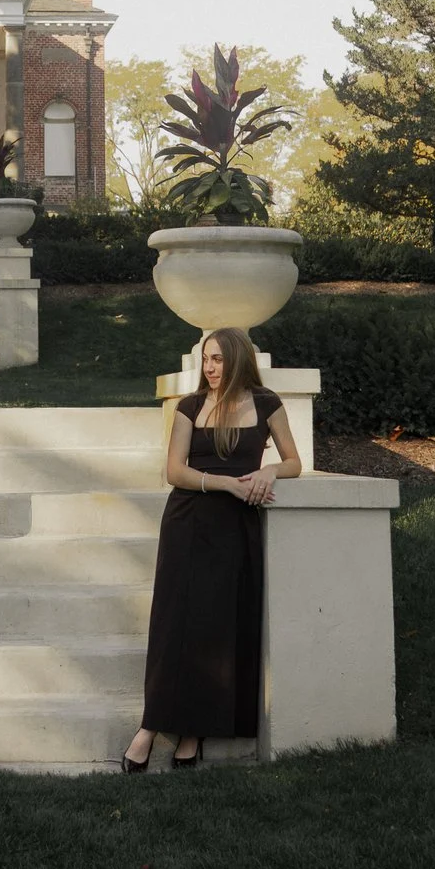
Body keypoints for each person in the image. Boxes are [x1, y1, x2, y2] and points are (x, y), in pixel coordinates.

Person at [122, 325, 303, 772]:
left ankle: (193, 733)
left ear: (238, 359)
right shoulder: (190, 405)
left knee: (216, 630)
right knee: (174, 627)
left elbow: (294, 461)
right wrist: (225, 484)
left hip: (235, 530)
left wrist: (269, 472)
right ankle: (150, 726)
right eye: (206, 359)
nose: (210, 367)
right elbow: (174, 471)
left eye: (218, 359)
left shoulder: (267, 404)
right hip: (187, 523)